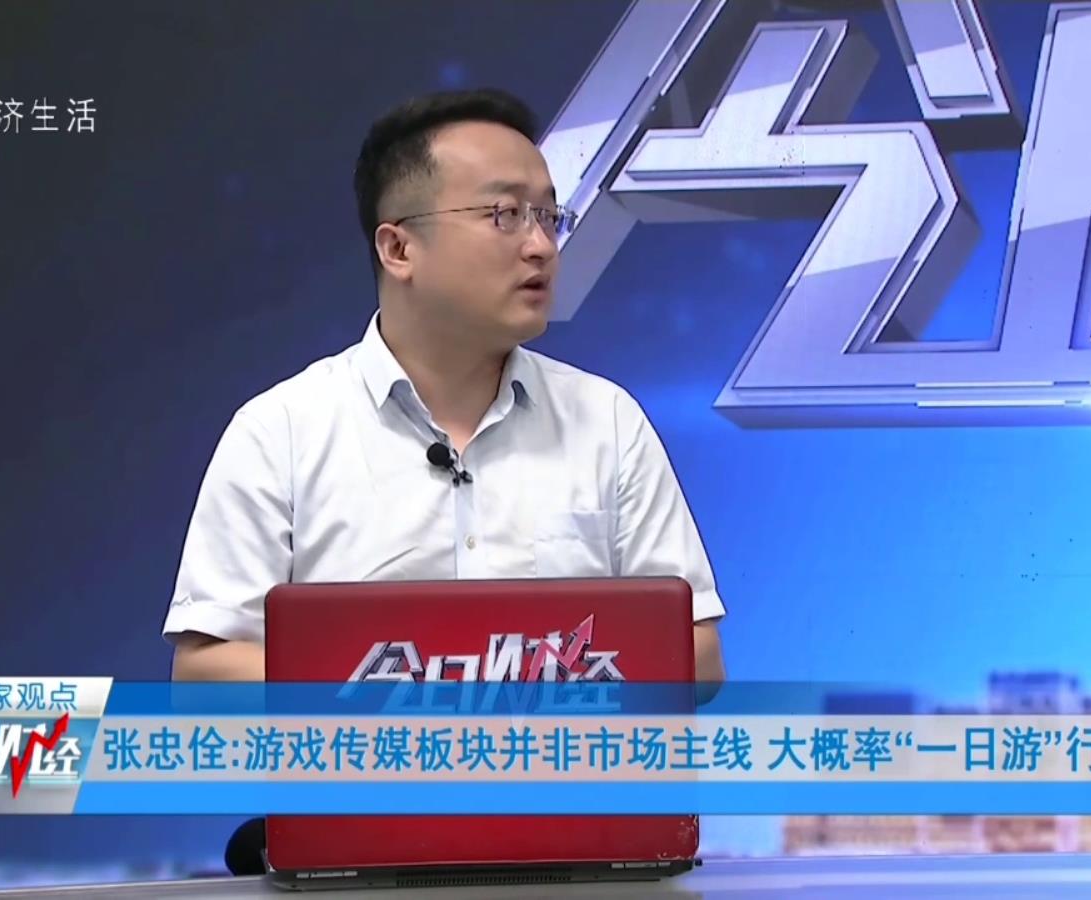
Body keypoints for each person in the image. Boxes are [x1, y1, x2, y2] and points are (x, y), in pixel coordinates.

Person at [161, 87, 726, 686]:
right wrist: (413, 699)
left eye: (548, 216)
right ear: (398, 248)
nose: (541, 246)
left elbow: (700, 656)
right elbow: (205, 671)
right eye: (505, 214)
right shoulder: (282, 431)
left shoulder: (606, 420)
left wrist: (512, 696)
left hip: (560, 751)